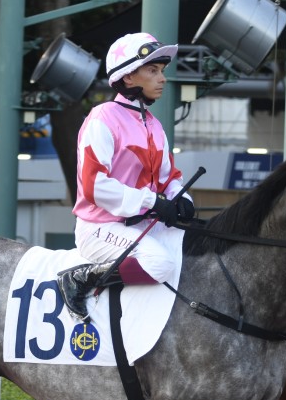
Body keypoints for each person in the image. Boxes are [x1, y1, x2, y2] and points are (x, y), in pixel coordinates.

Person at [57, 32, 194, 322]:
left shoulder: (154, 125)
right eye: (153, 70)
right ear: (129, 78)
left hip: (141, 225)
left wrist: (181, 199)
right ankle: (82, 279)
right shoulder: (102, 117)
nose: (162, 79)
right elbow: (95, 186)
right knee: (160, 264)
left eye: (162, 71)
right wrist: (152, 203)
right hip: (99, 228)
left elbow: (169, 179)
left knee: (195, 248)